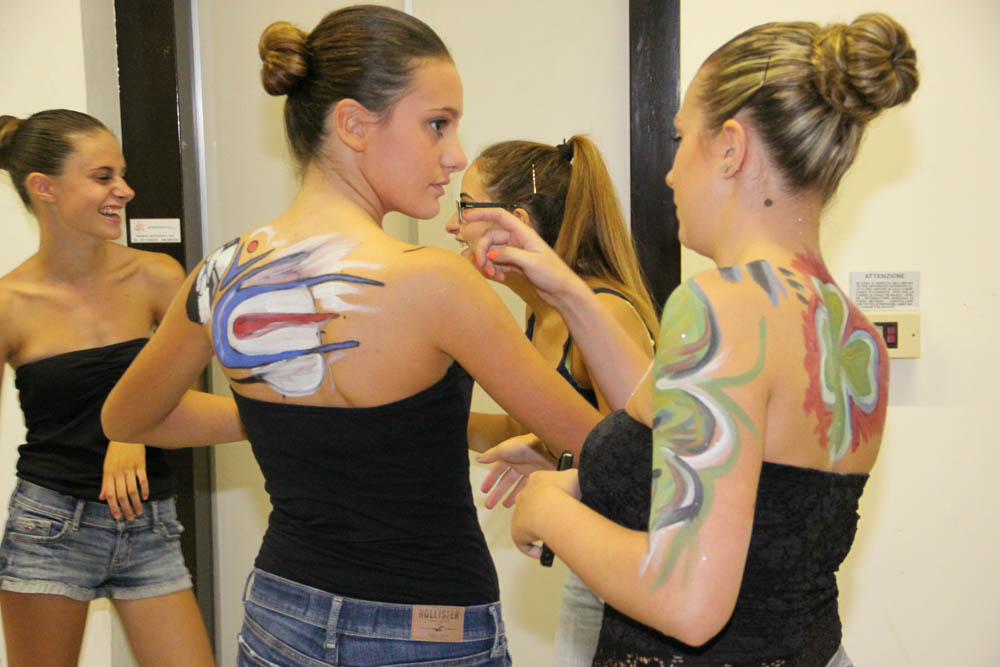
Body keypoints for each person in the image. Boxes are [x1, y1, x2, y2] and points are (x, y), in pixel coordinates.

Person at [101, 6, 600, 666]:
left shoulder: (221, 273)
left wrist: (279, 416)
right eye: (437, 124)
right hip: (427, 631)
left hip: (280, 617)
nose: (455, 155)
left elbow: (128, 417)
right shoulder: (435, 282)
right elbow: (607, 449)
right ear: (354, 124)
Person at [468, 12, 918, 666]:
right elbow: (679, 429)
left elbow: (687, 600)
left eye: (681, 139)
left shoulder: (722, 306)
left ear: (730, 147)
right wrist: (566, 289)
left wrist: (545, 507)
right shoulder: (854, 337)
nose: (671, 173)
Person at [0, 110, 215, 666]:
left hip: (150, 523)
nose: (125, 189)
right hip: (49, 525)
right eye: (103, 177)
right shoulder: (8, 304)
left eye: (121, 174)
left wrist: (131, 433)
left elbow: (180, 396)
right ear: (44, 188)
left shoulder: (158, 275)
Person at [445, 135, 657, 666]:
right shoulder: (538, 313)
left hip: (635, 565)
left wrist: (555, 464)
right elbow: (533, 429)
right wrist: (427, 422)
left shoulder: (602, 313)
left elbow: (636, 465)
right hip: (591, 563)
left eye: (465, 207)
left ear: (514, 222)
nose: (452, 225)